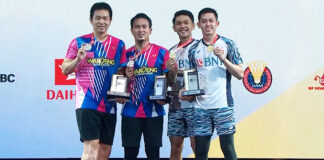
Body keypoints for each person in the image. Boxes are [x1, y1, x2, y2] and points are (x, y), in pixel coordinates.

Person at [62, 2, 126, 160]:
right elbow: (65, 69)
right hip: (87, 101)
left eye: (105, 18)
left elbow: (121, 72)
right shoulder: (79, 42)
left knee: (105, 149)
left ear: (110, 20)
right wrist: (78, 59)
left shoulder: (118, 44)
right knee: (91, 146)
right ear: (91, 20)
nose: (102, 22)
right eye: (98, 18)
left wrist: (120, 92)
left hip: (109, 104)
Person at [184, 7, 244, 160]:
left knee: (228, 148)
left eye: (211, 21)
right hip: (200, 107)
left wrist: (223, 59)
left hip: (223, 105)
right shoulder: (193, 49)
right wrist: (184, 89)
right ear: (198, 25)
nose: (208, 24)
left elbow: (240, 74)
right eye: (204, 21)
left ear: (217, 23)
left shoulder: (228, 44)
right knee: (201, 152)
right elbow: (191, 77)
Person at [121, 13, 172, 160]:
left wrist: (173, 71)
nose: (141, 30)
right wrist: (127, 77)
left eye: (144, 26)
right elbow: (119, 82)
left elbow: (169, 81)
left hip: (154, 111)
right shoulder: (126, 54)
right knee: (130, 154)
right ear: (132, 30)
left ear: (150, 30)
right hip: (131, 111)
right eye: (137, 27)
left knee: (153, 154)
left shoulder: (162, 52)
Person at [166, 10, 197, 160]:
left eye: (186, 23)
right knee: (175, 146)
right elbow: (171, 81)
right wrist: (172, 70)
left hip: (196, 105)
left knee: (197, 146)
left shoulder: (199, 48)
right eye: (179, 23)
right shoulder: (171, 52)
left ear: (193, 25)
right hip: (176, 105)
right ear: (174, 28)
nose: (182, 26)